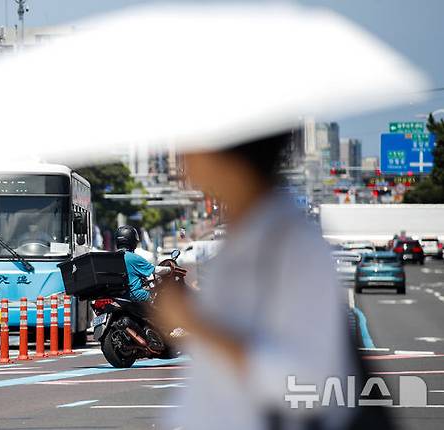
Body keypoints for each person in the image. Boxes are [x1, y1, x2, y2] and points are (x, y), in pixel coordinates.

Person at [155, 131, 361, 430]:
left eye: (192, 145)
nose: (183, 159)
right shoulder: (245, 234)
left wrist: (196, 324)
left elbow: (306, 380)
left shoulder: (291, 242)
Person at [115, 225, 171, 302]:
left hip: (116, 296)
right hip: (135, 295)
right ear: (132, 241)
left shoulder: (112, 257)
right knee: (162, 298)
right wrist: (170, 269)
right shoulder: (133, 257)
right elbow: (155, 270)